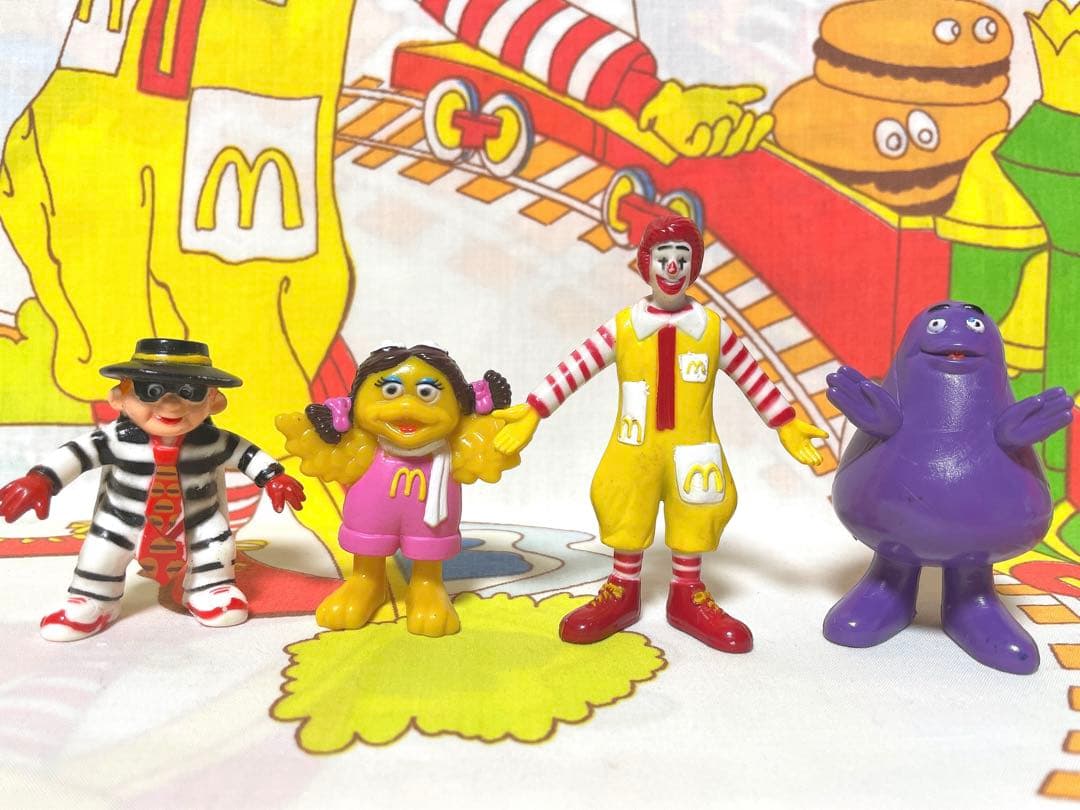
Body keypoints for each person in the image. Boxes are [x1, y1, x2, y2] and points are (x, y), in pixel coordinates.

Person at [495, 216, 826, 652]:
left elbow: (752, 377)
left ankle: (687, 595)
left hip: (693, 448)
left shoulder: (713, 330)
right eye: (663, 257)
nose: (672, 267)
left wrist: (784, 422)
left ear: (694, 267)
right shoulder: (624, 327)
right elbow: (576, 366)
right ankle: (622, 590)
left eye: (682, 259)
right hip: (634, 447)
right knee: (623, 505)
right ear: (646, 264)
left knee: (697, 512)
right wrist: (535, 410)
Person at [0, 338, 306, 640]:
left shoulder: (214, 441)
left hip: (197, 519)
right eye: (151, 391)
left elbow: (248, 455)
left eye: (190, 392)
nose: (171, 405)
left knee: (216, 546)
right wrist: (41, 480)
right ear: (119, 397)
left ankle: (210, 588)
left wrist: (273, 477)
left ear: (215, 401)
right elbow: (76, 455)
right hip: (121, 520)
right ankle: (92, 599)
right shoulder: (113, 439)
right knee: (100, 553)